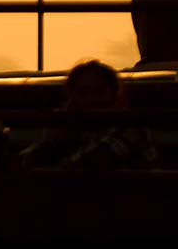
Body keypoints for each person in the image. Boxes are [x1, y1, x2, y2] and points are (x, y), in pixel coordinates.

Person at [20, 60, 158, 170]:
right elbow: (25, 161)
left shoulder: (132, 128)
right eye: (83, 92)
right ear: (71, 99)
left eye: (99, 91)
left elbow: (87, 167)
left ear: (115, 96)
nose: (91, 99)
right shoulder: (76, 130)